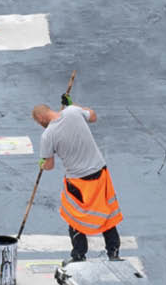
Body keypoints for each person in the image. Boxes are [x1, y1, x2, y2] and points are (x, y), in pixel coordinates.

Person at [32, 97, 123, 263]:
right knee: (106, 212)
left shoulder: (47, 135)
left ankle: (79, 255)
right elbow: (93, 116)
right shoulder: (73, 112)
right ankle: (114, 252)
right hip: (100, 173)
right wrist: (73, 105)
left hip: (77, 180)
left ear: (41, 118)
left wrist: (42, 163)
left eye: (38, 123)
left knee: (74, 216)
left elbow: (50, 165)